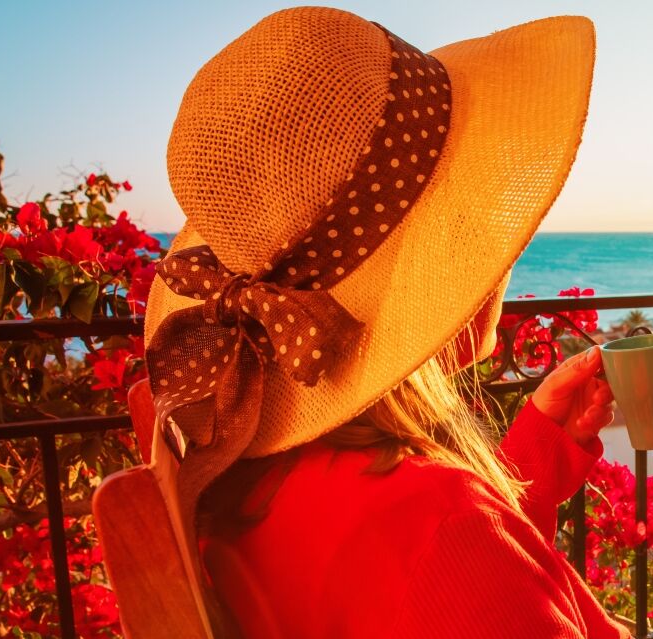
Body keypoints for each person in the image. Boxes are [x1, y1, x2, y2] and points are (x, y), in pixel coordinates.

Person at [135, 7, 627, 637]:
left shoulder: (255, 484)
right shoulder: (438, 526)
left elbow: (419, 593)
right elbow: (447, 567)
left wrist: (537, 448)